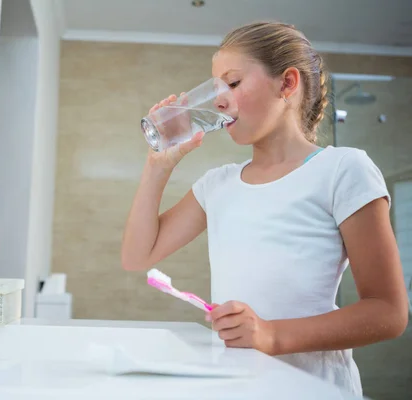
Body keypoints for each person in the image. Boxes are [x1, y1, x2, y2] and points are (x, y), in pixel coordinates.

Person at [121, 21, 409, 395]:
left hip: (313, 389)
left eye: (233, 83)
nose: (220, 99)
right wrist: (157, 166)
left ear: (287, 83)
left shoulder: (342, 170)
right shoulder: (218, 184)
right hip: (238, 387)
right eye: (216, 87)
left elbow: (388, 312)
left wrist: (271, 335)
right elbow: (136, 256)